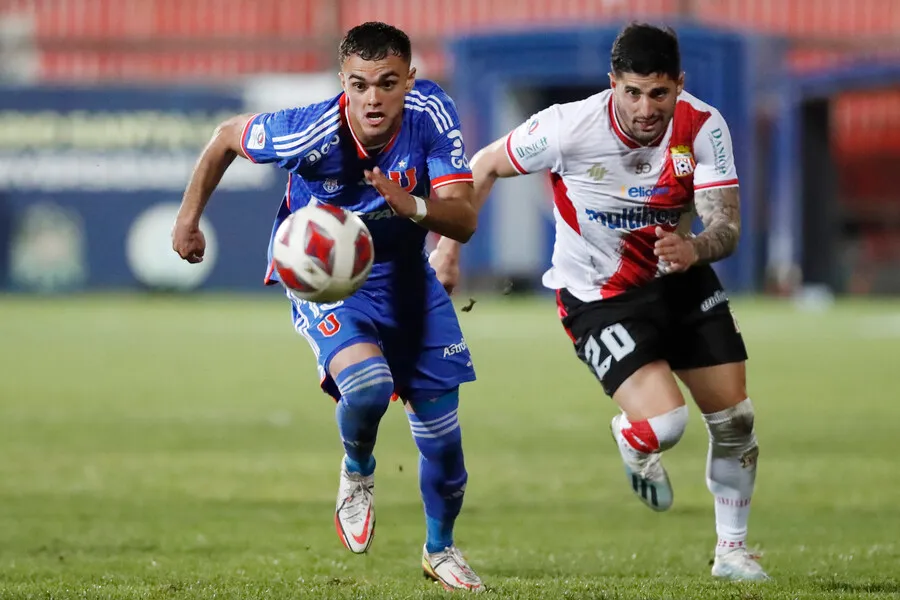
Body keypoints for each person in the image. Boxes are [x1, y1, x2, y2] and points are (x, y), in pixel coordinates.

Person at [431, 23, 768, 581]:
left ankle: (731, 552)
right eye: (632, 92)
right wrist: (448, 252)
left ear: (679, 86)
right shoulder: (567, 127)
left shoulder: (703, 126)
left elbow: (727, 225)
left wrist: (694, 247)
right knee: (667, 426)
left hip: (680, 276)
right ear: (613, 84)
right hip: (599, 296)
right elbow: (485, 164)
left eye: (659, 93)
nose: (644, 108)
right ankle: (634, 439)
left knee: (736, 420)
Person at [172, 21, 484, 592]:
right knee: (365, 388)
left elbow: (463, 216)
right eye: (360, 84)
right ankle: (358, 467)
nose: (373, 98)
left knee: (442, 435)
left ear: (410, 81)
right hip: (328, 279)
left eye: (388, 83)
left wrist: (411, 205)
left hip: (407, 278)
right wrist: (188, 220)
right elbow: (223, 138)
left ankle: (439, 550)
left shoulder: (432, 114)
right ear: (343, 81)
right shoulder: (307, 130)